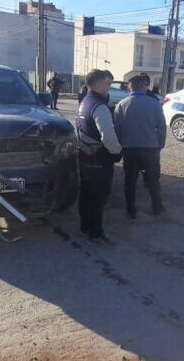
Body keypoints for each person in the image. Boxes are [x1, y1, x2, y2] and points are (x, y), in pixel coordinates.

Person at [77, 69, 123, 247]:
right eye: (107, 83)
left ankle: (84, 227)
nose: (109, 87)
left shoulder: (84, 102)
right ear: (97, 84)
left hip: (84, 157)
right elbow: (108, 137)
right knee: (98, 198)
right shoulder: (99, 106)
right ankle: (95, 233)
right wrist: (118, 152)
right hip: (99, 160)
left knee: (86, 194)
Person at [114, 75, 167, 219]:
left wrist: (120, 145)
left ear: (129, 87)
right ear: (144, 86)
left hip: (130, 150)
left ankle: (131, 210)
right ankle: (157, 207)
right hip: (150, 149)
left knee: (130, 182)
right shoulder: (154, 103)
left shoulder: (121, 105)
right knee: (153, 181)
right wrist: (160, 144)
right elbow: (161, 127)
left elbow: (117, 129)